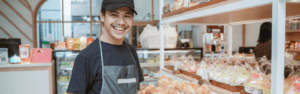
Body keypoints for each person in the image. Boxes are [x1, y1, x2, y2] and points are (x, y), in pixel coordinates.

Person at [67, 0, 144, 94]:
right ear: (102, 16)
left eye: (127, 16)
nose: (121, 22)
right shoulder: (86, 57)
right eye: (114, 15)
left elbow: (137, 87)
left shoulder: (132, 51)